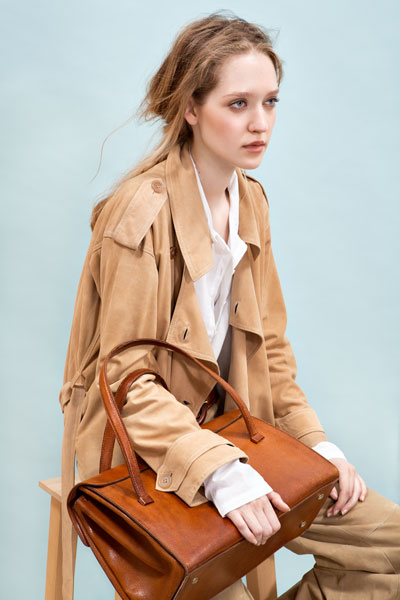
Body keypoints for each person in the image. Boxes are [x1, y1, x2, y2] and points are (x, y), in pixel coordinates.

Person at [60, 11, 400, 600]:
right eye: (238, 104)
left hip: (238, 434)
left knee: (390, 547)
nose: (260, 122)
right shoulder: (140, 214)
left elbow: (271, 352)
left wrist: (317, 445)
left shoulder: (251, 202)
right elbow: (124, 380)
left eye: (270, 102)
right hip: (147, 456)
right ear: (191, 108)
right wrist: (217, 472)